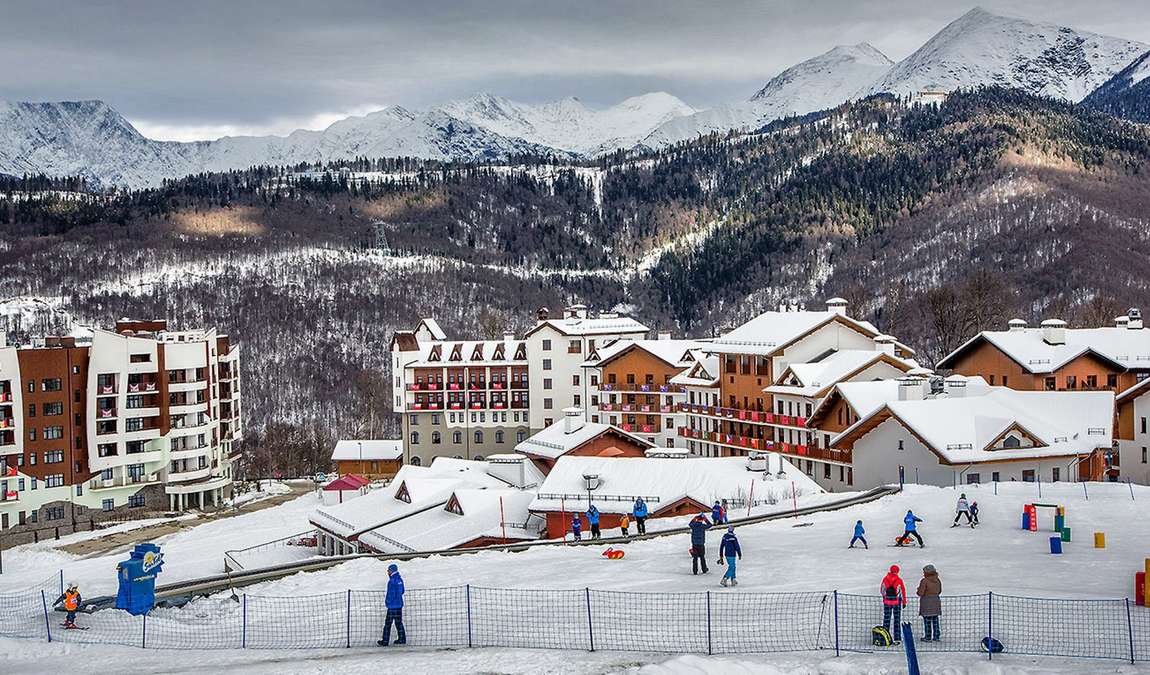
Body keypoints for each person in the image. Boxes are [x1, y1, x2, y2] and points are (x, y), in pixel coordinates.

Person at [377, 564, 406, 647]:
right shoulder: (400, 579)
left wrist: (387, 601)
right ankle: (402, 638)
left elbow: (391, 594)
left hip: (392, 606)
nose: (387, 572)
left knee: (388, 624)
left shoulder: (392, 581)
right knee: (399, 622)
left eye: (388, 570)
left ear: (391, 571)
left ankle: (385, 640)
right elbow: (402, 591)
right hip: (399, 605)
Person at [880, 565, 906, 644]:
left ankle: (885, 635)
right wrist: (904, 602)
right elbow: (903, 591)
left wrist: (885, 598)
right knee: (897, 620)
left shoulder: (885, 579)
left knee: (886, 619)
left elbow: (882, 590)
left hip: (887, 602)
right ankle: (897, 637)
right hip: (897, 602)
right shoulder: (899, 580)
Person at [917, 564, 942, 642]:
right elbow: (939, 591)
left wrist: (918, 589)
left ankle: (928, 636)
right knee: (935, 619)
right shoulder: (938, 580)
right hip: (936, 602)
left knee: (927, 620)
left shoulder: (924, 581)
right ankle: (936, 636)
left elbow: (920, 592)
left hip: (926, 603)